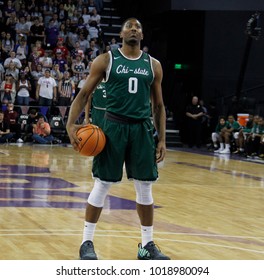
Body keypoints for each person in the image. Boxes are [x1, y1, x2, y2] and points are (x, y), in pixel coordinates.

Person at [66, 17, 170, 260]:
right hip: (113, 128)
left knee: (145, 187)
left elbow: (159, 106)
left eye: (138, 27)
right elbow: (84, 93)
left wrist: (162, 139)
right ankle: (87, 242)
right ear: (121, 34)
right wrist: (71, 124)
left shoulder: (153, 65)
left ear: (142, 36)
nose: (134, 29)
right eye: (129, 27)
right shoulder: (106, 60)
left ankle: (147, 246)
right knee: (102, 184)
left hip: (142, 129)